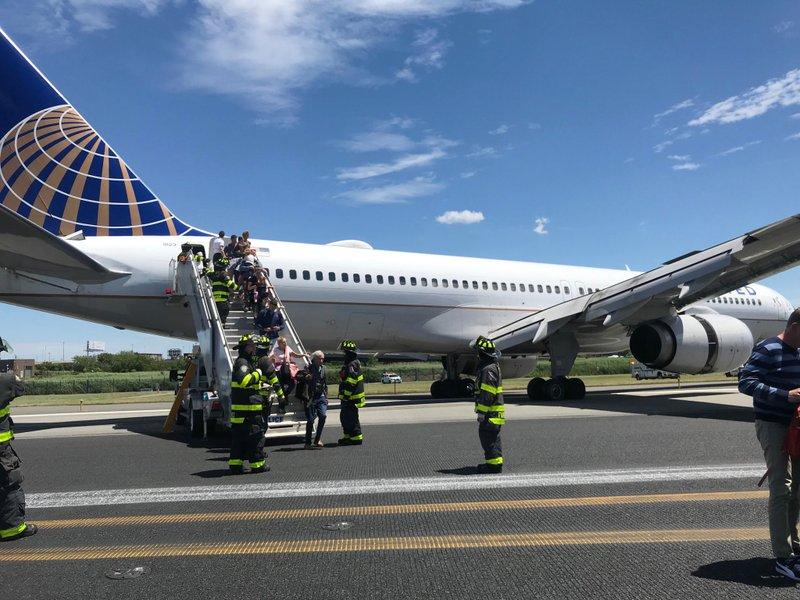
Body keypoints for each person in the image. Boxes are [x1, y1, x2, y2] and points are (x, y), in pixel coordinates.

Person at [739, 307, 800, 580]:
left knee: (797, 489)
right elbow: (746, 382)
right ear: (795, 326)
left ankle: (795, 547)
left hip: (797, 426)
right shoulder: (768, 348)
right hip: (773, 426)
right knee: (781, 487)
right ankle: (782, 557)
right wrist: (784, 395)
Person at [0, 372, 36, 541]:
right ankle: (12, 529)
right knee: (9, 485)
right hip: (1, 451)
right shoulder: (5, 380)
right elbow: (20, 387)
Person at [228, 335, 268, 474]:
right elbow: (244, 381)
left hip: (242, 413)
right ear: (246, 347)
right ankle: (258, 466)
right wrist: (258, 373)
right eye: (252, 345)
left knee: (239, 441)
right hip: (248, 413)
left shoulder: (244, 361)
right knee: (256, 439)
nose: (255, 348)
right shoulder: (243, 363)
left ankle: (235, 465)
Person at [473, 335, 504, 474]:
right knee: (491, 438)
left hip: (490, 413)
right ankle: (494, 463)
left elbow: (488, 393)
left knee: (488, 438)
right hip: (493, 413)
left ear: (482, 353)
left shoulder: (488, 370)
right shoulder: (491, 367)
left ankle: (493, 466)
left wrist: (482, 412)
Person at [337, 340, 365, 445]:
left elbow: (351, 382)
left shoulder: (352, 364)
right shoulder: (350, 363)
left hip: (350, 398)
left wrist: (345, 396)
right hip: (348, 398)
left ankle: (356, 438)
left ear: (348, 352)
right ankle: (348, 436)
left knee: (351, 418)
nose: (343, 354)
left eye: (344, 352)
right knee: (345, 418)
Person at [303, 351, 328, 449]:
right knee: (310, 420)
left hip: (321, 396)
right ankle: (307, 443)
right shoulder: (308, 367)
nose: (321, 360)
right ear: (315, 358)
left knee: (323, 416)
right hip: (311, 397)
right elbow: (302, 380)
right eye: (319, 358)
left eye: (323, 358)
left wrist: (326, 397)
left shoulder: (324, 368)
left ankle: (317, 439)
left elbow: (325, 383)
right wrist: (307, 377)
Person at [203, 257, 238, 325]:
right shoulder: (223, 274)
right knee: (224, 311)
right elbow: (229, 283)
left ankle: (220, 324)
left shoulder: (213, 274)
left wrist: (207, 265)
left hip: (215, 298)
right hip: (223, 298)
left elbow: (208, 272)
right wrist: (238, 288)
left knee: (218, 312)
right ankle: (223, 325)